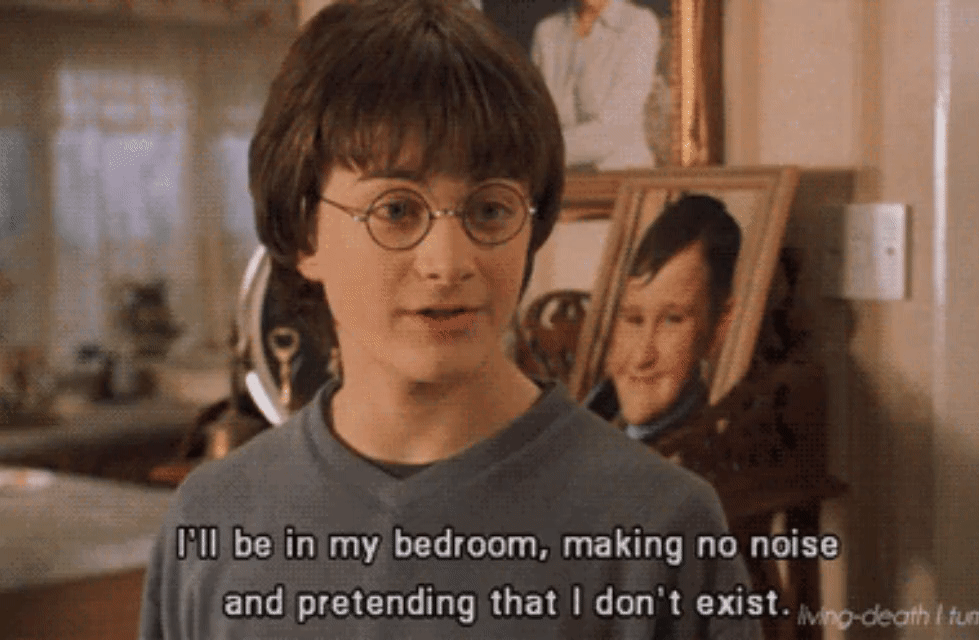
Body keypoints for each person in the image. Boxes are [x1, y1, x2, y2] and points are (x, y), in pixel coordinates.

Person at [139, 2, 760, 639]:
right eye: (396, 210)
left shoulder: (661, 527)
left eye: (489, 210)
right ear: (304, 232)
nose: (449, 263)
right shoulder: (211, 525)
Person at [587, 195, 741, 442]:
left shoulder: (699, 445)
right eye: (634, 320)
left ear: (720, 325)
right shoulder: (594, 411)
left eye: (672, 320)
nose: (642, 356)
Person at [531, 0, 660, 169]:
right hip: (554, 172)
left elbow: (614, 129)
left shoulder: (639, 25)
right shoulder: (547, 31)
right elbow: (537, 118)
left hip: (621, 173)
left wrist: (536, 152)